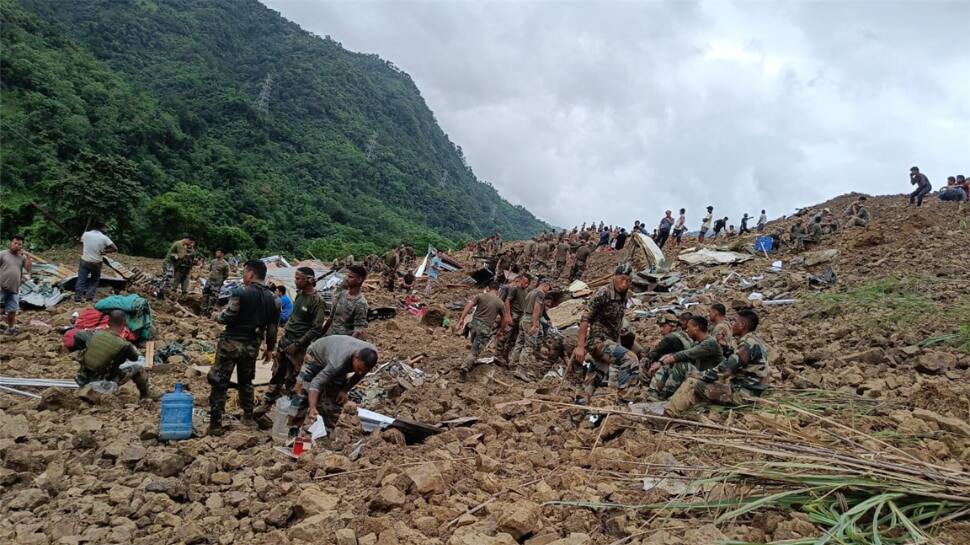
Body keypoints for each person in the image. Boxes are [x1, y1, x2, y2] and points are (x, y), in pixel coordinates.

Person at [207, 260, 280, 436]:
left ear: (250, 274)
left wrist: (216, 315)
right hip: (252, 346)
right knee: (246, 382)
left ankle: (215, 425)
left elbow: (228, 316)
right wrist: (269, 348)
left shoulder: (240, 292)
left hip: (230, 343)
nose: (243, 276)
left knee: (219, 382)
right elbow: (272, 328)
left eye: (244, 272)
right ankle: (248, 418)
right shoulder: (274, 299)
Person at [664, 309, 770, 417]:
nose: (731, 325)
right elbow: (736, 362)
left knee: (692, 383)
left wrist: (701, 375)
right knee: (704, 385)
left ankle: (666, 417)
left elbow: (725, 370)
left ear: (742, 325)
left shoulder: (748, 344)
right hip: (751, 391)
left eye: (734, 321)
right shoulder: (755, 340)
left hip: (743, 395)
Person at [260, 267, 327, 413]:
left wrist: (297, 344)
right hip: (286, 340)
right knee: (277, 373)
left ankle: (288, 411)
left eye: (298, 279)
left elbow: (316, 328)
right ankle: (267, 403)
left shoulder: (317, 301)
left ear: (308, 280)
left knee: (293, 379)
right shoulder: (300, 295)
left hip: (298, 347)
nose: (295, 281)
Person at [572, 263, 639, 395]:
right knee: (630, 359)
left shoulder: (624, 296)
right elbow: (585, 318)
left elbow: (617, 324)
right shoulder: (603, 293)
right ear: (615, 277)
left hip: (610, 341)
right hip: (598, 343)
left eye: (628, 281)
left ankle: (578, 410)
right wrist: (580, 346)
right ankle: (624, 399)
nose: (624, 283)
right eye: (621, 279)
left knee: (592, 380)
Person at [293, 335, 379, 434]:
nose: (360, 372)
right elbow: (316, 382)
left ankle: (324, 432)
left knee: (335, 398)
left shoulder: (371, 355)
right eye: (359, 368)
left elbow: (359, 374)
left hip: (340, 360)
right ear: (356, 357)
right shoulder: (337, 363)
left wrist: (345, 390)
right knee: (302, 393)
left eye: (363, 371)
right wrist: (312, 407)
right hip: (316, 356)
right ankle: (292, 430)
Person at [75, 310, 152, 398]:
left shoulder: (95, 334)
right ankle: (145, 397)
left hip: (82, 377)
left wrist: (86, 348)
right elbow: (134, 358)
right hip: (105, 381)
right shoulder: (124, 345)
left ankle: (90, 388)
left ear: (108, 322)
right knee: (138, 368)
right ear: (124, 322)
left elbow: (77, 336)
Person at [654, 316, 723, 400]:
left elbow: (688, 354)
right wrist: (669, 356)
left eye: (688, 327)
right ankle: (653, 393)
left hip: (711, 379)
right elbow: (686, 352)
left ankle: (665, 395)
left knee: (682, 365)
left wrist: (663, 362)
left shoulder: (710, 343)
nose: (687, 330)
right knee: (670, 363)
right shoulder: (698, 342)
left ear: (696, 328)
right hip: (699, 376)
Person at [454, 280, 505, 381]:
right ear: (498, 290)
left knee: (474, 346)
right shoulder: (500, 302)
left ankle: (470, 362)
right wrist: (500, 330)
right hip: (484, 329)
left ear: (488, 288)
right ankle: (463, 371)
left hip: (473, 325)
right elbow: (505, 319)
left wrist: (461, 319)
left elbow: (468, 306)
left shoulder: (480, 296)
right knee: (474, 352)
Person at [644, 313, 694, 400]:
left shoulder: (670, 338)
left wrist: (648, 357)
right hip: (687, 371)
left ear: (671, 326)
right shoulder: (684, 335)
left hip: (684, 372)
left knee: (650, 362)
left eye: (664, 326)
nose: (661, 329)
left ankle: (654, 391)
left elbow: (654, 354)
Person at [75, 222, 117, 303]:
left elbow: (82, 242)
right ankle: (89, 299)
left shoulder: (86, 234)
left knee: (81, 279)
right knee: (94, 280)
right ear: (101, 228)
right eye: (105, 228)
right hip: (96, 262)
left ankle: (77, 299)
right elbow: (115, 248)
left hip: (85, 260)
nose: (106, 230)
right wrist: (105, 251)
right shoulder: (104, 238)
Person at [515, 277, 552, 366]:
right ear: (545, 285)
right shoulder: (540, 293)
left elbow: (539, 309)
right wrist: (535, 324)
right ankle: (521, 369)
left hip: (524, 318)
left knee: (519, 343)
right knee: (529, 346)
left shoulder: (531, 292)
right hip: (531, 320)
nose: (548, 290)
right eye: (548, 288)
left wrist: (547, 318)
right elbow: (537, 309)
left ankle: (513, 363)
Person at [0, 235, 31, 336]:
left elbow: (28, 269)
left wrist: (28, 257)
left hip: (14, 288)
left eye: (19, 244)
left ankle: (11, 328)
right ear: (10, 243)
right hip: (1, 286)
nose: (17, 245)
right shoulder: (2, 254)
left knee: (12, 310)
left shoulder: (21, 257)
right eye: (15, 243)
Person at [326, 265, 369, 338]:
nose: (346, 279)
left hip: (343, 339)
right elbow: (331, 318)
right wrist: (320, 334)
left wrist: (347, 345)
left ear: (359, 280)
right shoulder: (342, 294)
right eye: (347, 276)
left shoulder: (361, 303)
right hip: (330, 335)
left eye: (350, 277)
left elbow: (358, 329)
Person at [498, 273, 530, 364]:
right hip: (513, 314)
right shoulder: (514, 289)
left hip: (520, 317)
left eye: (524, 282)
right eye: (521, 281)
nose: (521, 283)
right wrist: (508, 315)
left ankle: (505, 355)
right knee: (505, 334)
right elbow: (507, 301)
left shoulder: (525, 292)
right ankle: (498, 354)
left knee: (513, 338)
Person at [202, 249, 231, 315]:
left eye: (218, 252)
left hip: (216, 284)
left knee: (213, 300)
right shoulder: (213, 261)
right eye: (216, 252)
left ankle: (208, 315)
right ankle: (202, 313)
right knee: (205, 297)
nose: (216, 253)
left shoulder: (225, 264)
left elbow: (226, 275)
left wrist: (220, 281)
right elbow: (210, 270)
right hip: (209, 282)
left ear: (222, 254)